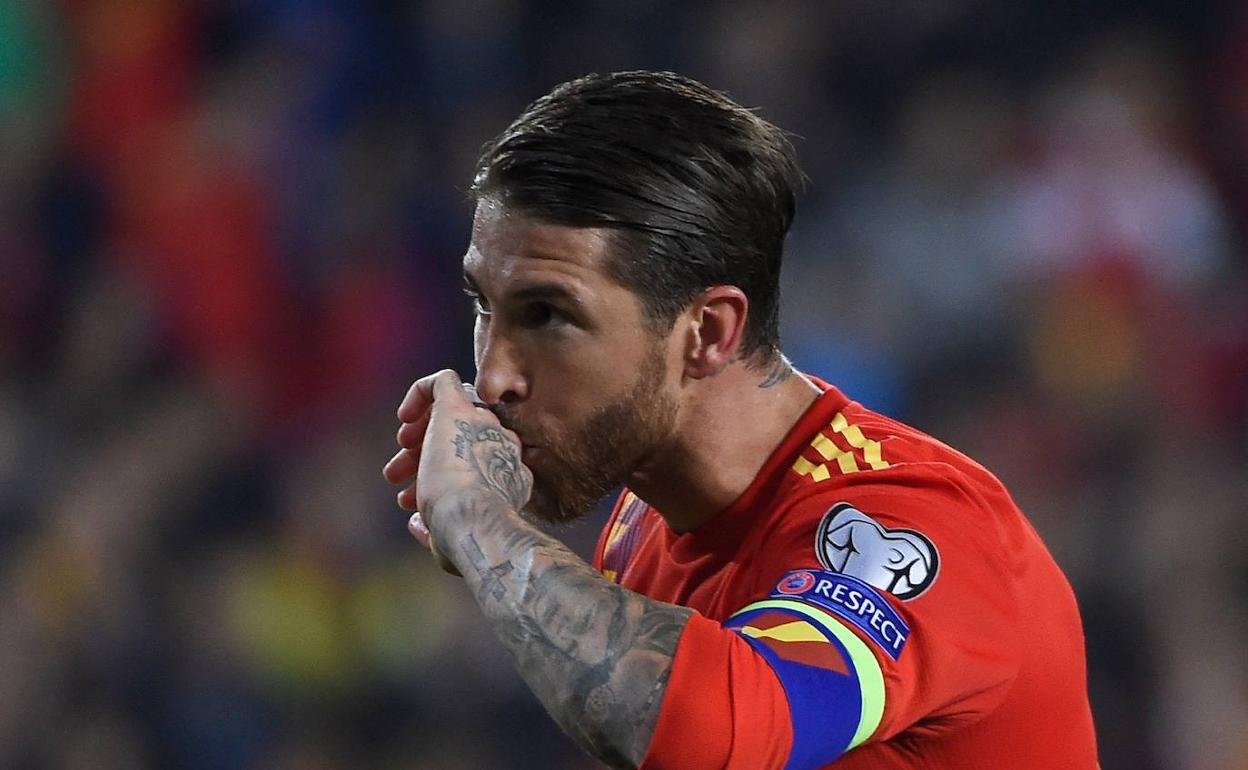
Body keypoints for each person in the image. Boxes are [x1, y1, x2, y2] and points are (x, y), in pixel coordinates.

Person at [382, 71, 1099, 769]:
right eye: (484, 306)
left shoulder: (921, 523)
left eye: (547, 315)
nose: (493, 376)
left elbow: (714, 732)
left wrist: (478, 520)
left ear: (709, 331)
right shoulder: (642, 523)